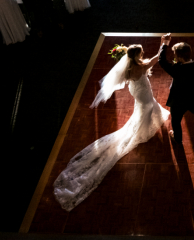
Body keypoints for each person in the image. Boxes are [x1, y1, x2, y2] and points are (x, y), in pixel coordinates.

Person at [53, 43, 170, 211]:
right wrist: (164, 44)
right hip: (143, 92)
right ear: (137, 55)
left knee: (145, 106)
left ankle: (146, 119)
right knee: (148, 106)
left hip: (135, 90)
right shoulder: (141, 65)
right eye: (141, 52)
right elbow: (156, 59)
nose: (143, 53)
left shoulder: (129, 66)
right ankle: (142, 129)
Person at [158, 34, 194, 144]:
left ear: (179, 57)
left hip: (177, 101)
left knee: (176, 120)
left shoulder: (176, 69)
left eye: (175, 54)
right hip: (192, 96)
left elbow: (162, 60)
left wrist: (165, 43)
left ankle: (177, 138)